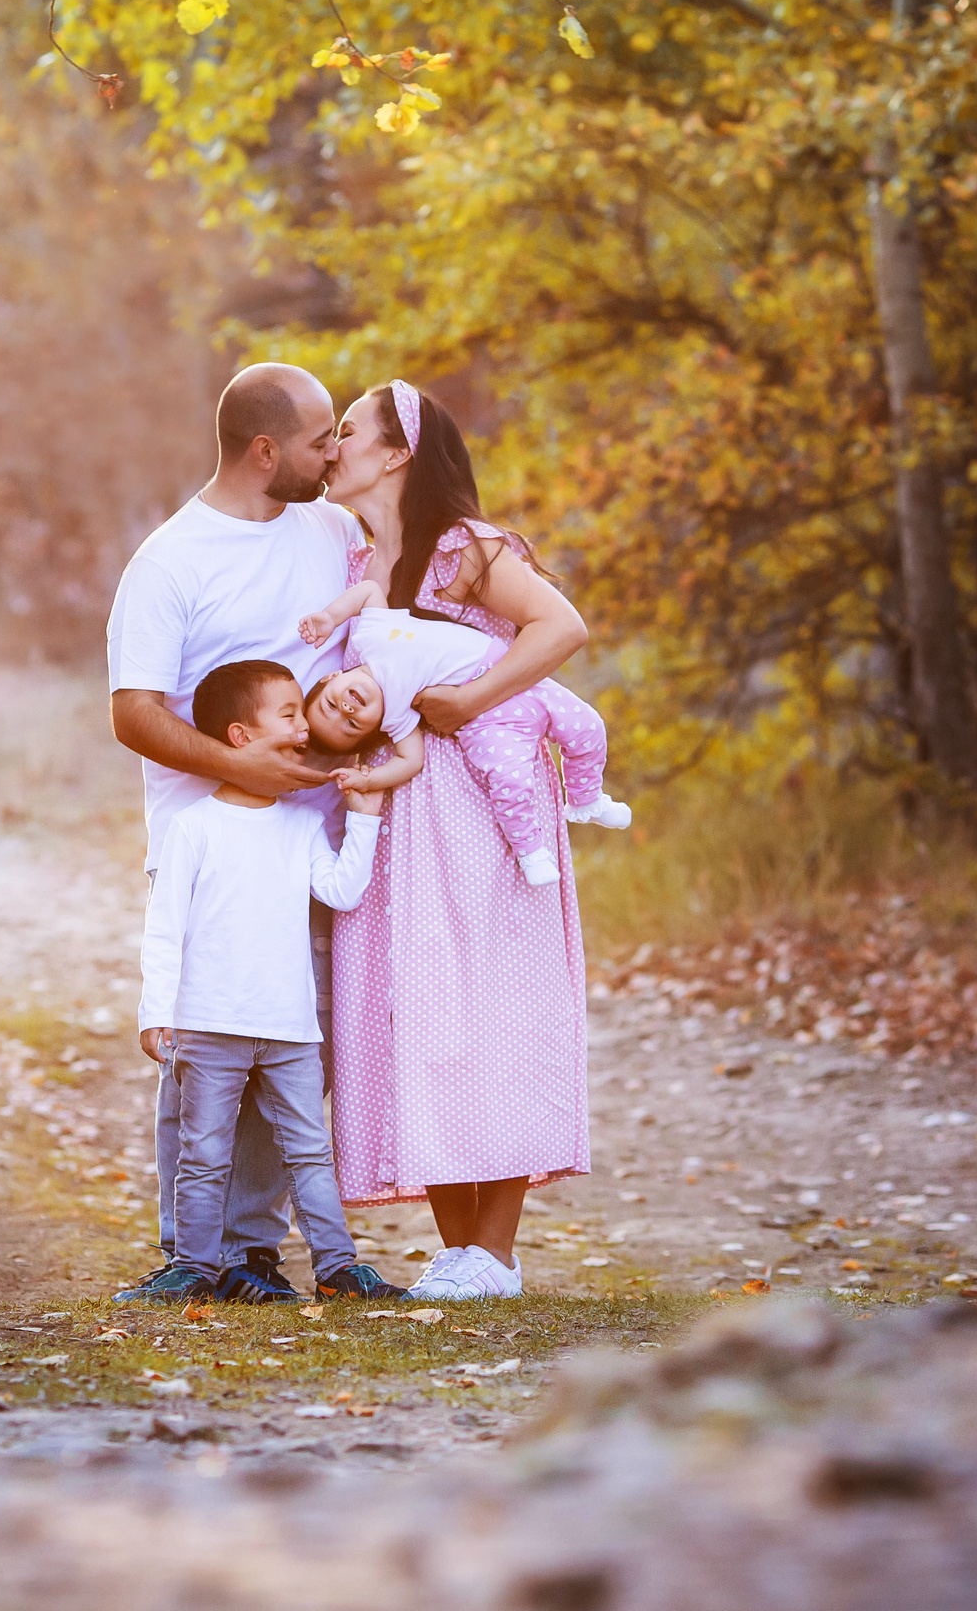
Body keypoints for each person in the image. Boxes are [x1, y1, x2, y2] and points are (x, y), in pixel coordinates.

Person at [321, 378, 595, 1303]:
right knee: (416, 1008)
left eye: (348, 431)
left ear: (398, 452)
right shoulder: (356, 559)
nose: (333, 446)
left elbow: (561, 626)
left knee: (493, 1002)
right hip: (398, 809)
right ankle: (461, 1254)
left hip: (481, 804)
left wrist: (468, 700)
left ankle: (498, 1252)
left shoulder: (465, 548)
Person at [104, 362, 363, 1302]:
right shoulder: (170, 562)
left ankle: (254, 1251)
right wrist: (242, 769)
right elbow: (133, 713)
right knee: (209, 1064)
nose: (332, 456)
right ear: (264, 451)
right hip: (208, 849)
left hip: (312, 846)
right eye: (319, 441)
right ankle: (193, 1253)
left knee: (293, 1049)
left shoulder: (335, 533)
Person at [131, 660, 405, 1305]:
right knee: (203, 1155)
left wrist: (364, 818)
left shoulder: (301, 825)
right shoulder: (193, 828)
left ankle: (337, 1267)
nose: (304, 726)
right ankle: (193, 1270)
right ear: (240, 736)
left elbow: (341, 890)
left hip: (290, 1029)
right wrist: (155, 1011)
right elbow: (165, 928)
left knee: (309, 1153)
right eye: (288, 715)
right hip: (208, 1025)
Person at [299, 587, 631, 886]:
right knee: (510, 779)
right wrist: (370, 779)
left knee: (587, 725)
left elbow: (369, 590)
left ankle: (587, 798)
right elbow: (411, 761)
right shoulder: (397, 718)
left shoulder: (370, 636)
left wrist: (330, 617)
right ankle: (530, 851)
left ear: (331, 678)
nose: (347, 709)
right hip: (485, 717)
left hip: (509, 676)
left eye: (331, 704)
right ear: (373, 729)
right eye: (351, 725)